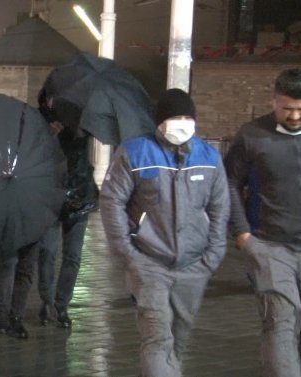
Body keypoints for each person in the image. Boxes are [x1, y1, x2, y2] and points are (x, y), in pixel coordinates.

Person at [100, 88, 230, 377]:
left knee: (179, 339)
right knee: (157, 338)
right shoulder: (135, 152)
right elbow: (112, 201)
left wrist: (213, 255)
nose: (182, 123)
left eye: (187, 116)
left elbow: (220, 207)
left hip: (194, 265)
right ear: (159, 121)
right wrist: (128, 253)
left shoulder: (208, 156)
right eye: (175, 117)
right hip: (148, 263)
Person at [224, 68, 301, 377]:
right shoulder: (252, 135)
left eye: (300, 108)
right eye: (287, 108)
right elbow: (228, 183)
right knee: (279, 321)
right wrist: (242, 234)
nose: (294, 115)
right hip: (271, 246)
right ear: (274, 101)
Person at [35, 89, 99, 328]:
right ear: (46, 100)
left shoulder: (83, 120)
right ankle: (47, 301)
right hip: (50, 197)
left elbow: (82, 154)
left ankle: (62, 305)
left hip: (80, 194)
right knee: (48, 252)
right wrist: (48, 135)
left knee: (72, 256)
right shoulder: (38, 121)